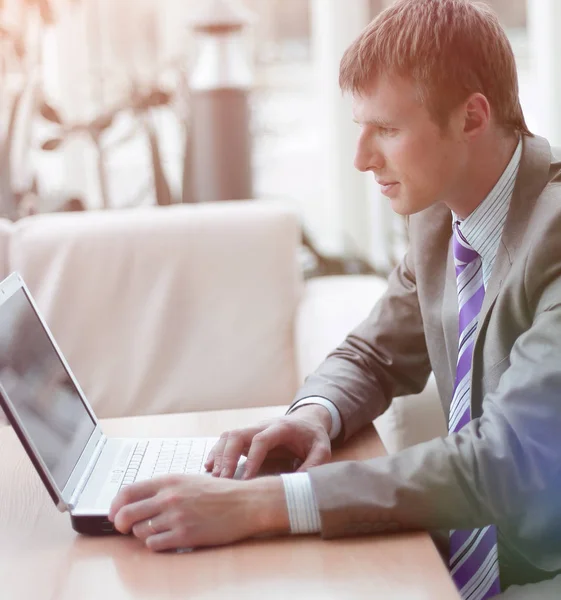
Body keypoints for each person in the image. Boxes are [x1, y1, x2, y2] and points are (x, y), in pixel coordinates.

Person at [109, 0, 561, 597]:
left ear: (472, 117)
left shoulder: (552, 234)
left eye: (389, 130)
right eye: (361, 129)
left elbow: (506, 461)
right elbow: (373, 354)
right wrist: (310, 416)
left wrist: (260, 504)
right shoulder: (440, 219)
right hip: (461, 545)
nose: (362, 159)